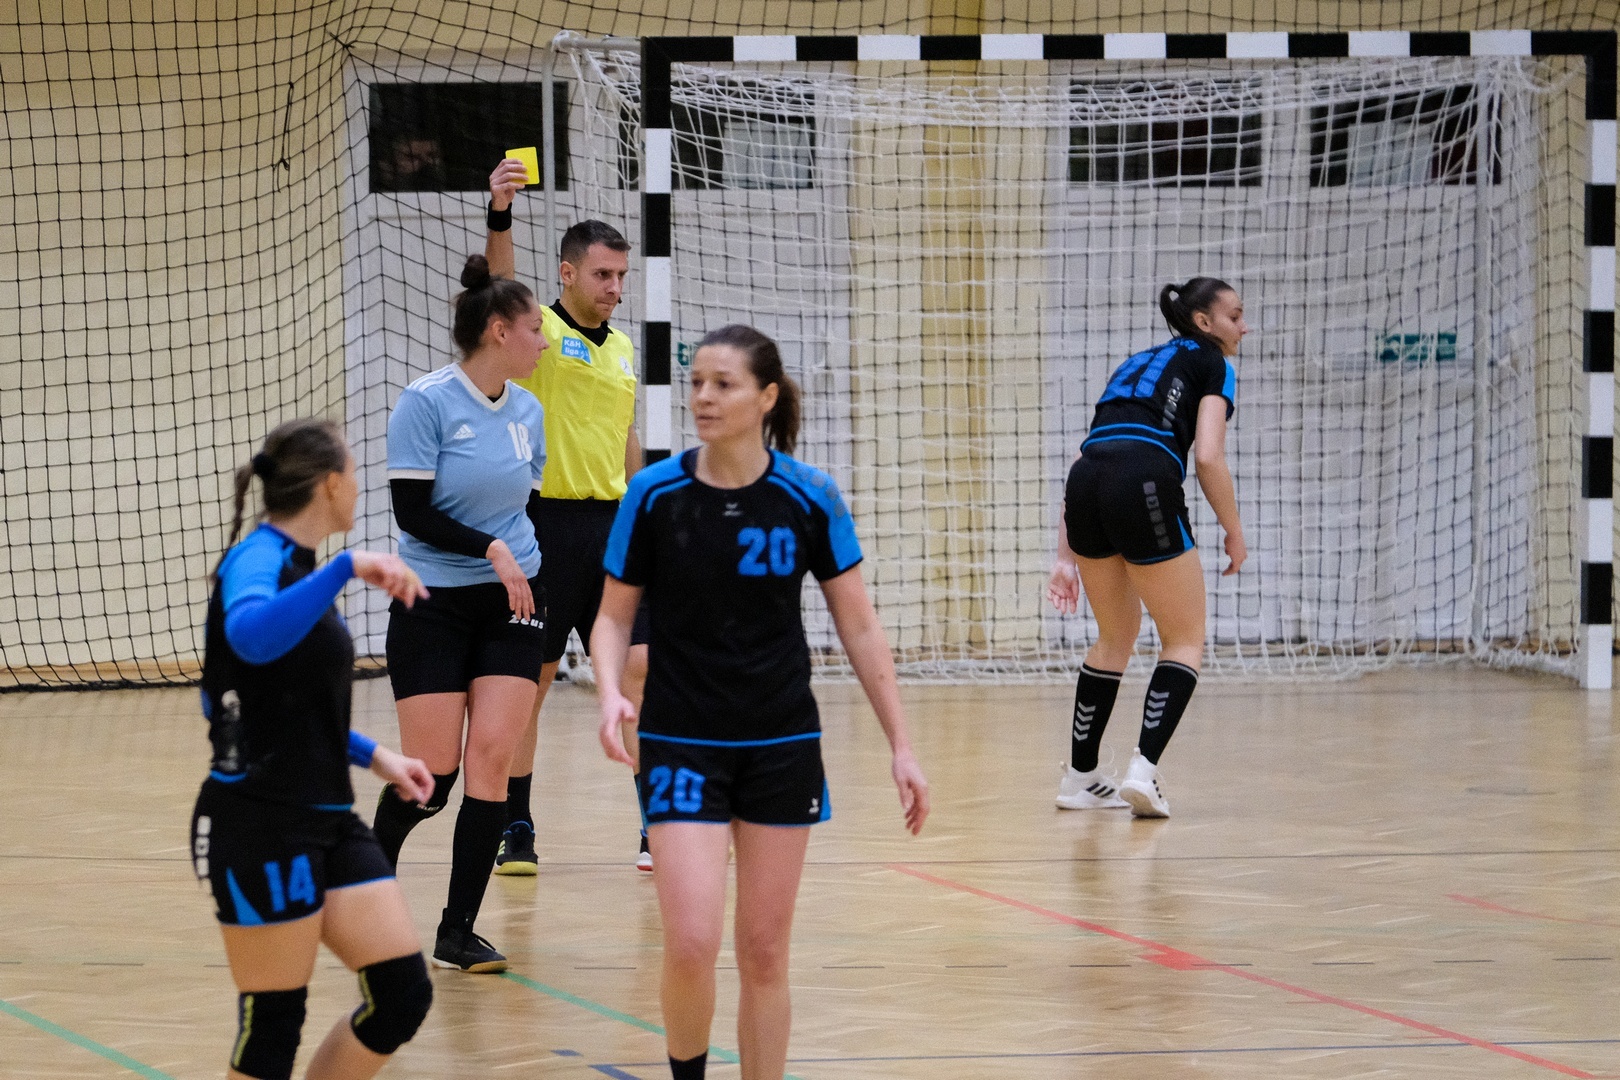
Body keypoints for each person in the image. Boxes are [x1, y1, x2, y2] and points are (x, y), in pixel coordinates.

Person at [591, 324, 930, 1080]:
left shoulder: (810, 495)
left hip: (781, 746)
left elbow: (861, 627)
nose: (704, 398)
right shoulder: (653, 494)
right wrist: (610, 691)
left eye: (724, 384)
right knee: (690, 943)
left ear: (767, 397)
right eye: (698, 383)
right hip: (681, 741)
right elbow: (612, 618)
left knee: (765, 951)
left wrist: (902, 746)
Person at [191, 417, 436, 1080]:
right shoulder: (260, 558)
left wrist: (377, 757)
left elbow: (288, 709)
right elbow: (248, 638)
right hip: (260, 822)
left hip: (327, 817)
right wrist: (347, 568)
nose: (358, 486)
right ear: (330, 484)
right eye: (353, 473)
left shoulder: (302, 572)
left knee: (401, 994)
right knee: (272, 1030)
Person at [368, 254, 548, 973]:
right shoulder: (426, 403)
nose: (543, 342)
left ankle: (456, 932)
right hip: (433, 602)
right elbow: (413, 513)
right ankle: (360, 889)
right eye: (535, 330)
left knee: (491, 763)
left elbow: (525, 506)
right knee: (432, 775)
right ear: (499, 331)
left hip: (514, 600)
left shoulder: (529, 411)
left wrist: (520, 561)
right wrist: (489, 548)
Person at [483, 157, 653, 875]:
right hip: (546, 528)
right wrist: (500, 211)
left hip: (613, 529)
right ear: (567, 274)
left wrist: (646, 510)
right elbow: (498, 287)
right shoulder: (541, 334)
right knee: (534, 682)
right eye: (603, 275)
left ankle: (657, 825)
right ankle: (517, 823)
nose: (615, 287)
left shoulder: (624, 348)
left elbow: (625, 433)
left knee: (641, 670)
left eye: (622, 276)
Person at [1048, 277, 1247, 819]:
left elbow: (1088, 454)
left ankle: (1079, 778)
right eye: (1234, 316)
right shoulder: (1214, 363)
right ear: (1204, 323)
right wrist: (1233, 530)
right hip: (1143, 480)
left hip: (1086, 486)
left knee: (1115, 636)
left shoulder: (1134, 363)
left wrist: (1064, 557)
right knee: (1184, 638)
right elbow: (1207, 456)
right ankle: (1143, 771)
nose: (1244, 327)